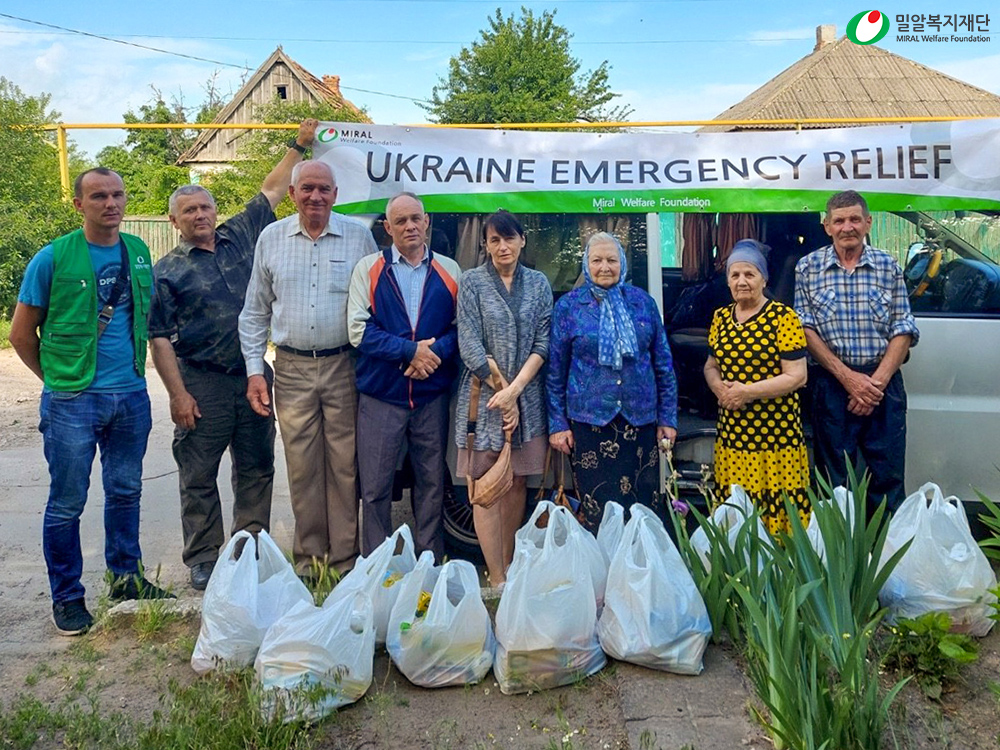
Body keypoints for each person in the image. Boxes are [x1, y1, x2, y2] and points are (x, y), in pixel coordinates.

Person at [148, 120, 319, 590]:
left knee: (257, 464)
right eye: (188, 210)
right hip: (200, 379)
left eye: (204, 206)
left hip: (252, 375)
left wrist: (298, 146)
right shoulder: (166, 272)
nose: (199, 214)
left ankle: (250, 547)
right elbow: (159, 338)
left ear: (215, 209)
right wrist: (177, 395)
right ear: (174, 221)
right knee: (199, 472)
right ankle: (203, 558)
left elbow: (271, 190)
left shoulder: (242, 236)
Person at [8, 168, 173, 636]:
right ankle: (67, 598)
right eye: (98, 196)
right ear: (79, 204)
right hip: (72, 402)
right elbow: (21, 335)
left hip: (131, 396)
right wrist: (60, 382)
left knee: (126, 492)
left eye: (117, 194)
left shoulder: (138, 253)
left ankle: (127, 580)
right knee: (66, 502)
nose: (110, 203)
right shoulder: (53, 257)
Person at [239, 160, 378, 577]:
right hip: (292, 367)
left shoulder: (358, 236)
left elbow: (376, 303)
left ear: (336, 195)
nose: (315, 196)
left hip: (344, 365)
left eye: (324, 189)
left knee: (343, 465)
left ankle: (345, 561)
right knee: (301, 467)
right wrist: (254, 371)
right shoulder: (272, 238)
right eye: (307, 188)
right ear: (295, 193)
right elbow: (254, 312)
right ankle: (310, 562)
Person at [347, 192, 462, 560]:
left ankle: (429, 559)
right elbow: (358, 330)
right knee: (376, 487)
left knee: (432, 484)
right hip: (382, 396)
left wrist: (434, 353)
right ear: (387, 228)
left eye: (416, 218)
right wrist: (410, 352)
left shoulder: (450, 269)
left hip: (431, 397)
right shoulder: (369, 268)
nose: (410, 226)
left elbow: (461, 329)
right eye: (400, 221)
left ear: (427, 221)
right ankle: (376, 565)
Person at [794, 190, 919, 512]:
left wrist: (874, 384)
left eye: (853, 219)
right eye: (839, 221)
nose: (846, 227)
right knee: (833, 481)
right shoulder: (808, 268)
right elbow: (804, 330)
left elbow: (903, 327)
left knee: (888, 479)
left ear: (868, 223)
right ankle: (840, 559)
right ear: (827, 226)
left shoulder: (887, 266)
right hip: (833, 385)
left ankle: (887, 554)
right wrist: (849, 379)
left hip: (883, 383)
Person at [547, 232, 678, 533]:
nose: (604, 266)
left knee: (642, 507)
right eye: (597, 260)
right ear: (585, 264)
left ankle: (635, 574)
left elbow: (664, 364)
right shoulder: (569, 307)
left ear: (623, 263)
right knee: (597, 510)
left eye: (612, 260)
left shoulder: (642, 303)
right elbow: (555, 371)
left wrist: (668, 418)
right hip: (590, 423)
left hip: (640, 421)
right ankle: (603, 576)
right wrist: (558, 424)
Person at [455, 211, 551, 586]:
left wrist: (514, 391)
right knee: (484, 487)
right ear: (485, 245)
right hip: (485, 399)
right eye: (494, 240)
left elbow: (543, 341)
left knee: (515, 485)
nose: (502, 246)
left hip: (525, 399)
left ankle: (511, 567)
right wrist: (501, 389)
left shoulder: (539, 283)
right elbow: (469, 342)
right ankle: (495, 576)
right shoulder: (473, 282)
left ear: (522, 241)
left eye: (509, 238)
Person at [703, 239, 810, 535]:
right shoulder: (721, 318)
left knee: (775, 510)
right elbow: (711, 366)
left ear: (764, 278)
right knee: (737, 510)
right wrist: (720, 390)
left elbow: (797, 376)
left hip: (775, 437)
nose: (742, 282)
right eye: (735, 275)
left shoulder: (783, 317)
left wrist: (744, 392)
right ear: (727, 281)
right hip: (734, 434)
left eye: (749, 274)